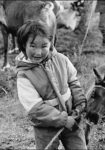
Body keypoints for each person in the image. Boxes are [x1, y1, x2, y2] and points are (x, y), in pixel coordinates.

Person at [16, 20, 87, 150]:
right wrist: (64, 120)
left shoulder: (61, 59)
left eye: (44, 46)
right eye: (32, 46)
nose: (38, 52)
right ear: (23, 46)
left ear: (51, 44)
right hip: (45, 126)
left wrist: (80, 102)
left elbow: (73, 81)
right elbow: (35, 108)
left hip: (72, 117)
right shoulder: (24, 75)